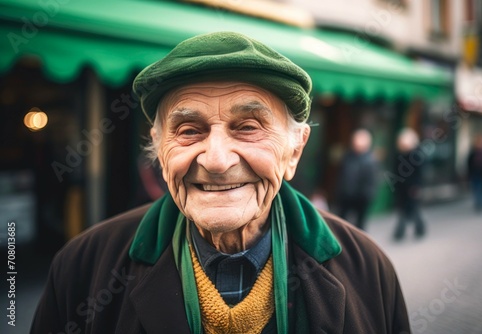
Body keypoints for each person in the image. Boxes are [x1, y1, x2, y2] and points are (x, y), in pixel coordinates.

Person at [31, 32, 410, 333]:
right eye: (188, 130)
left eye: (247, 128)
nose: (216, 160)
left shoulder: (369, 270)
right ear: (160, 151)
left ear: (294, 152)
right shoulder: (81, 269)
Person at [335, 129, 378, 230]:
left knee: (360, 225)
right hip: (346, 195)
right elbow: (342, 174)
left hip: (361, 197)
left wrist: (367, 195)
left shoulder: (371, 160)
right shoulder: (348, 156)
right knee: (341, 223)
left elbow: (372, 180)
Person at [392, 128, 426, 240]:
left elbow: (419, 173)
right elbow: (396, 171)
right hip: (401, 188)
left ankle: (419, 229)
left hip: (412, 188)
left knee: (415, 210)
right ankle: (399, 232)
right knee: (402, 210)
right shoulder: (399, 155)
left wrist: (416, 186)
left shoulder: (416, 155)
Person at [467, 134, 482, 212]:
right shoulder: (473, 153)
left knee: (481, 189)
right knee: (476, 189)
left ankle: (480, 203)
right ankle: (479, 203)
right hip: (475, 174)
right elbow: (469, 164)